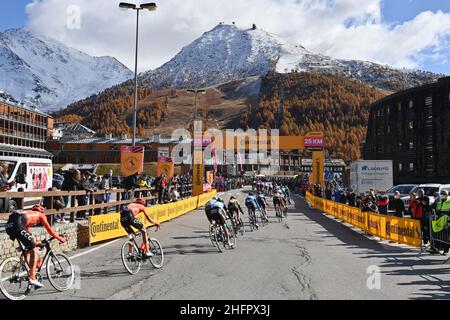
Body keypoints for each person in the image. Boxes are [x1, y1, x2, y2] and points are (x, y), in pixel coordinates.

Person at [5, 205, 67, 288]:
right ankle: (33, 278)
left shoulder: (28, 213)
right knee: (33, 249)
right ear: (41, 211)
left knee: (30, 245)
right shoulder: (40, 215)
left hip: (9, 226)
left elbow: (29, 236)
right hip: (18, 224)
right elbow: (50, 230)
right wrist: (60, 238)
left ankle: (28, 266)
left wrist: (36, 242)